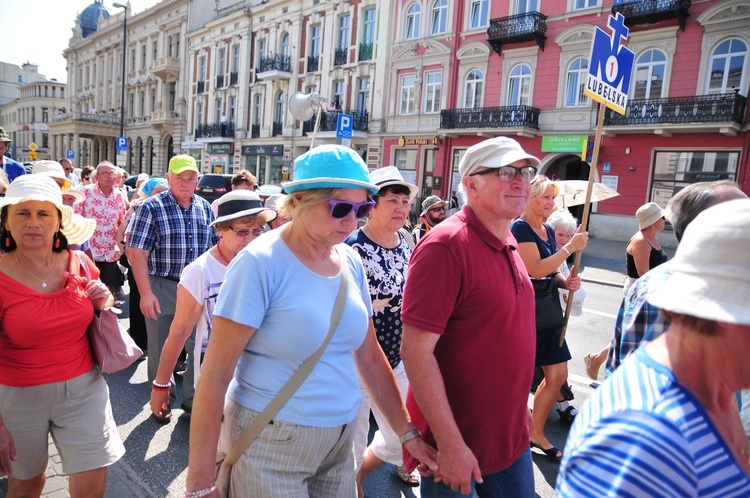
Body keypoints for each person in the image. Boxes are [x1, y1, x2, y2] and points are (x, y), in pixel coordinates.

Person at [184, 144, 437, 497]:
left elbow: (368, 356)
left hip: (341, 440)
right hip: (270, 440)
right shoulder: (260, 262)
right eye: (340, 208)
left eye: (362, 208)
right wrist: (200, 482)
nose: (352, 221)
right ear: (300, 200)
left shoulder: (349, 260)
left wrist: (408, 434)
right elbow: (214, 377)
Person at [557, 198, 750, 497]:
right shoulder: (656, 425)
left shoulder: (712, 397)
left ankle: (597, 359)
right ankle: (597, 360)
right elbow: (643, 287)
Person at [401, 137, 541, 497]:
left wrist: (519, 403)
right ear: (471, 183)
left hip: (510, 439)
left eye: (527, 172)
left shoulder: (508, 237)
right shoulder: (446, 246)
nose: (521, 181)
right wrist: (450, 444)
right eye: (507, 172)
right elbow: (416, 352)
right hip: (459, 446)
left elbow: (501, 335)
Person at [0, 175, 124, 497]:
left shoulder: (79, 261)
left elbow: (103, 302)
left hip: (84, 390)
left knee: (91, 483)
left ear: (58, 222)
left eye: (43, 214)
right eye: (22, 213)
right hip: (17, 398)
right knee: (28, 484)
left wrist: (104, 297)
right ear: (7, 223)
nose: (33, 223)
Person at [151, 190, 276, 424]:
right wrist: (161, 384)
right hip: (220, 374)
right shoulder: (200, 272)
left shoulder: (266, 263)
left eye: (257, 231)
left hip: (263, 370)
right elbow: (178, 332)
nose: (251, 239)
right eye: (241, 232)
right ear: (220, 230)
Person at [602, 180, 747, 378]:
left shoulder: (653, 240)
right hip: (639, 286)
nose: (664, 220)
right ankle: (597, 357)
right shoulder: (659, 288)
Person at [345, 166, 420, 495]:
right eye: (393, 201)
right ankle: (351, 484)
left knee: (401, 439)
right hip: (357, 364)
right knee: (351, 442)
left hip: (398, 360)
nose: (402, 208)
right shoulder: (352, 249)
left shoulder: (406, 241)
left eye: (405, 202)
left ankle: (358, 472)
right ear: (370, 205)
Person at [126, 155, 218, 414]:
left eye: (191, 178)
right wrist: (145, 293)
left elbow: (212, 248)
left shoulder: (204, 206)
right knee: (161, 346)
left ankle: (192, 398)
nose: (186, 183)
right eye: (180, 178)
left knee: (198, 346)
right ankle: (162, 398)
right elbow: (136, 252)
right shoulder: (151, 207)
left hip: (196, 287)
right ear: (168, 178)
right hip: (162, 285)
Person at [511, 177, 587, 459]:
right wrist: (570, 247)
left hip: (548, 309)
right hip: (527, 309)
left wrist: (564, 281)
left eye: (552, 199)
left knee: (558, 376)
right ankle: (531, 432)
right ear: (529, 198)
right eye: (545, 197)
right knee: (523, 378)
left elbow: (551, 271)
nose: (550, 203)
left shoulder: (547, 230)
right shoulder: (519, 227)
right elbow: (535, 268)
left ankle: (534, 431)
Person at [584, 200, 670, 380]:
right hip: (641, 294)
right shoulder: (641, 242)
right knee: (632, 335)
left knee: (627, 334)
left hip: (650, 292)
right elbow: (644, 275)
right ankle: (607, 367)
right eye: (662, 217)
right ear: (653, 220)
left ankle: (597, 360)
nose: (665, 219)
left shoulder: (651, 239)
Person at [116, 178, 171, 354]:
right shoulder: (138, 207)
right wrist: (128, 253)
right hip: (139, 263)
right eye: (157, 192)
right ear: (148, 193)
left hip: (160, 268)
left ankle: (158, 346)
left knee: (160, 308)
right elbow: (121, 234)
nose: (161, 196)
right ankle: (139, 344)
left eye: (164, 192)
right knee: (139, 303)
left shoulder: (170, 208)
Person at [545, 209, 587, 422]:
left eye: (569, 236)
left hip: (552, 318)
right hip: (539, 320)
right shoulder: (547, 251)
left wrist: (571, 283)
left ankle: (562, 406)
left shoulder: (562, 253)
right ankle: (560, 408)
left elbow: (561, 281)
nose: (564, 240)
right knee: (554, 369)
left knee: (557, 369)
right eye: (560, 234)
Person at [78, 161, 129, 301]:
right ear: (97, 177)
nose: (110, 176)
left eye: (113, 173)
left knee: (107, 289)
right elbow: (76, 218)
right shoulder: (85, 192)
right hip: (89, 249)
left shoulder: (119, 195)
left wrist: (122, 243)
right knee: (88, 288)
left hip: (109, 250)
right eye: (105, 173)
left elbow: (122, 221)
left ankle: (107, 318)